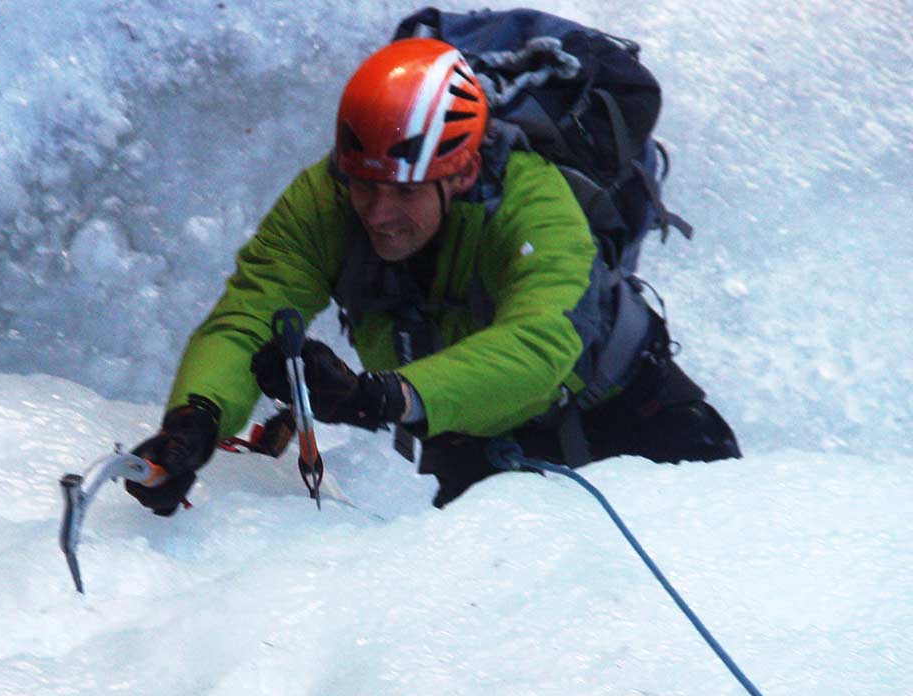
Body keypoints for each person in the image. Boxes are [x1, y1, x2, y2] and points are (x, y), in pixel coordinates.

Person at [126, 37, 740, 514]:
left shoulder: (535, 208)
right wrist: (195, 422)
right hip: (469, 443)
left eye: (404, 193)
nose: (378, 213)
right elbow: (249, 316)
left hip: (635, 420)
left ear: (463, 174)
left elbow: (540, 346)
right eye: (362, 185)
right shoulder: (327, 199)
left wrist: (381, 397)